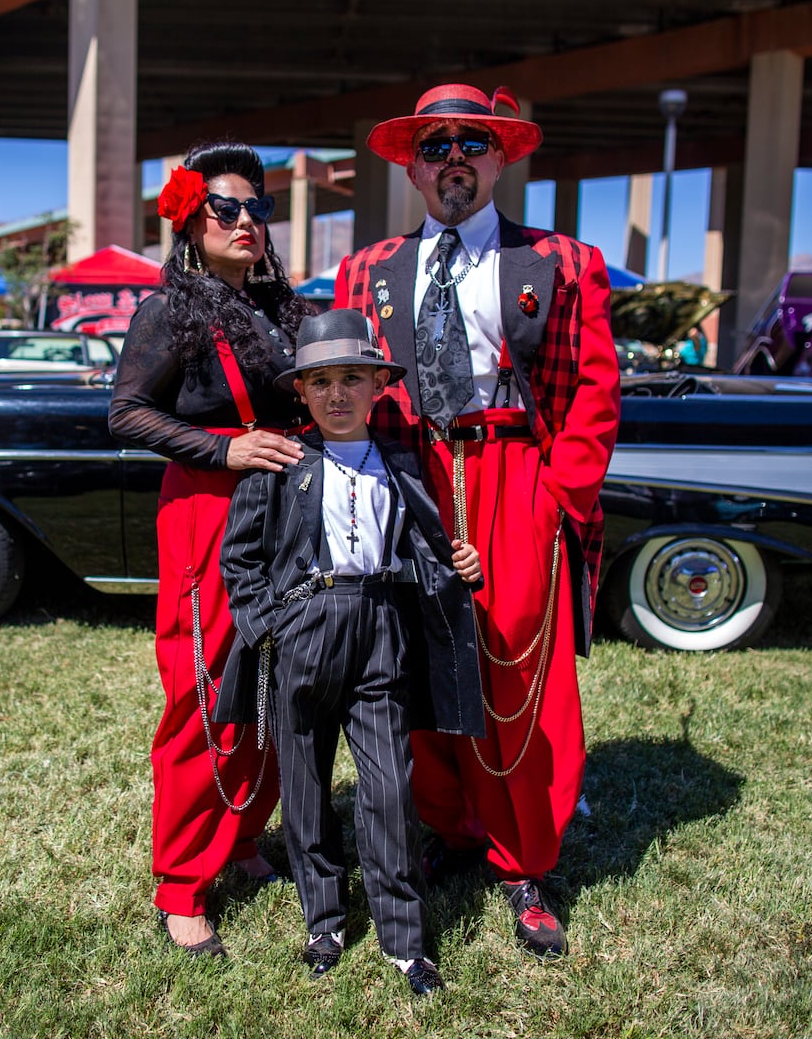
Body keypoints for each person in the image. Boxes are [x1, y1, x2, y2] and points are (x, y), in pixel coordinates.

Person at [333, 83, 622, 958]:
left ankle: (525, 859)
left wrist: (556, 497)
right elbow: (348, 382)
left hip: (513, 473)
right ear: (412, 167)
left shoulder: (563, 261)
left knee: (515, 663)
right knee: (413, 662)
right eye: (434, 145)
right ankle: (449, 826)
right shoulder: (367, 268)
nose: (452, 158)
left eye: (470, 142)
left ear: (500, 156)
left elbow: (596, 393)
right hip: (409, 472)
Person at [217, 309, 485, 996]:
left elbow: (423, 544)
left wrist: (458, 563)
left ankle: (404, 938)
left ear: (377, 387)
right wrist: (267, 623)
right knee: (305, 779)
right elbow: (240, 557)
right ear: (301, 392)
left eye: (353, 379)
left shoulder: (398, 462)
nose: (338, 394)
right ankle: (325, 918)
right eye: (322, 381)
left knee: (390, 784)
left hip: (381, 626)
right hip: (304, 624)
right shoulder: (281, 461)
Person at [107, 141, 312, 957]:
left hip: (282, 514)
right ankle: (182, 885)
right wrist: (223, 449)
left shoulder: (277, 307)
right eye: (225, 208)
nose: (245, 222)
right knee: (204, 689)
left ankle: (242, 833)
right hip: (205, 513)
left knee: (276, 684)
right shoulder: (167, 309)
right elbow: (125, 413)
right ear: (191, 220)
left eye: (257, 209)